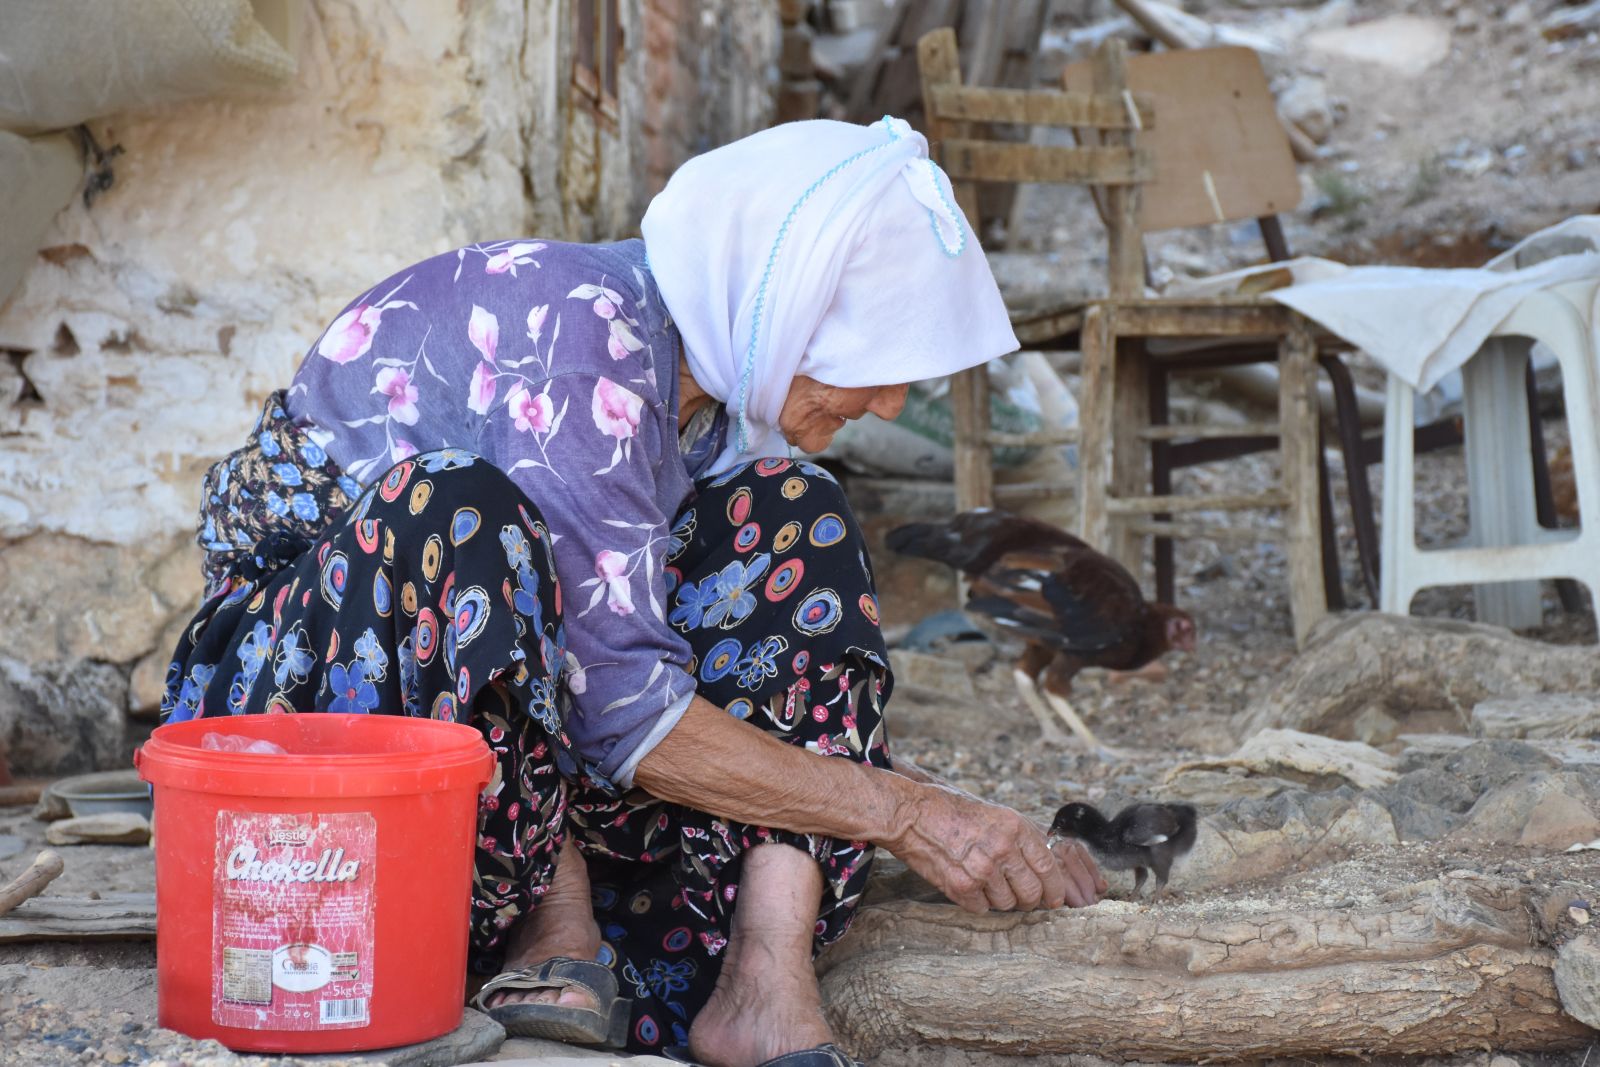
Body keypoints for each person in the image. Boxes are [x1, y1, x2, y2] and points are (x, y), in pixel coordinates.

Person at [162, 116, 1105, 1067]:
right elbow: (623, 707)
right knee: (459, 512)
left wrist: (961, 822)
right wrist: (910, 812)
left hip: (510, 768)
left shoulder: (705, 386)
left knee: (794, 511)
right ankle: (550, 928)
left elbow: (626, 647)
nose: (892, 403)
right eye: (874, 361)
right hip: (310, 726)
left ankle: (764, 980)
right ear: (786, 304)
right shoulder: (578, 339)